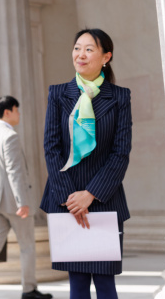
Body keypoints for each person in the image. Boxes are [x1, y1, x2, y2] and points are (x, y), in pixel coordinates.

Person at [40, 29, 132, 299]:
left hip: (104, 199)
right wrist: (71, 198)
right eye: (77, 48)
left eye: (89, 49)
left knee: (105, 284)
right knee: (77, 284)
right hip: (66, 200)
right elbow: (51, 147)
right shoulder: (58, 94)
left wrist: (91, 194)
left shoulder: (120, 97)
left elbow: (120, 152)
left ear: (106, 57)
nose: (80, 54)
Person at [0, 96, 52, 299]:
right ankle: (29, 290)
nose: (19, 114)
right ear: (8, 112)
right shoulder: (10, 136)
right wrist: (22, 201)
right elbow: (14, 171)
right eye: (17, 110)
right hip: (14, 203)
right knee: (27, 245)